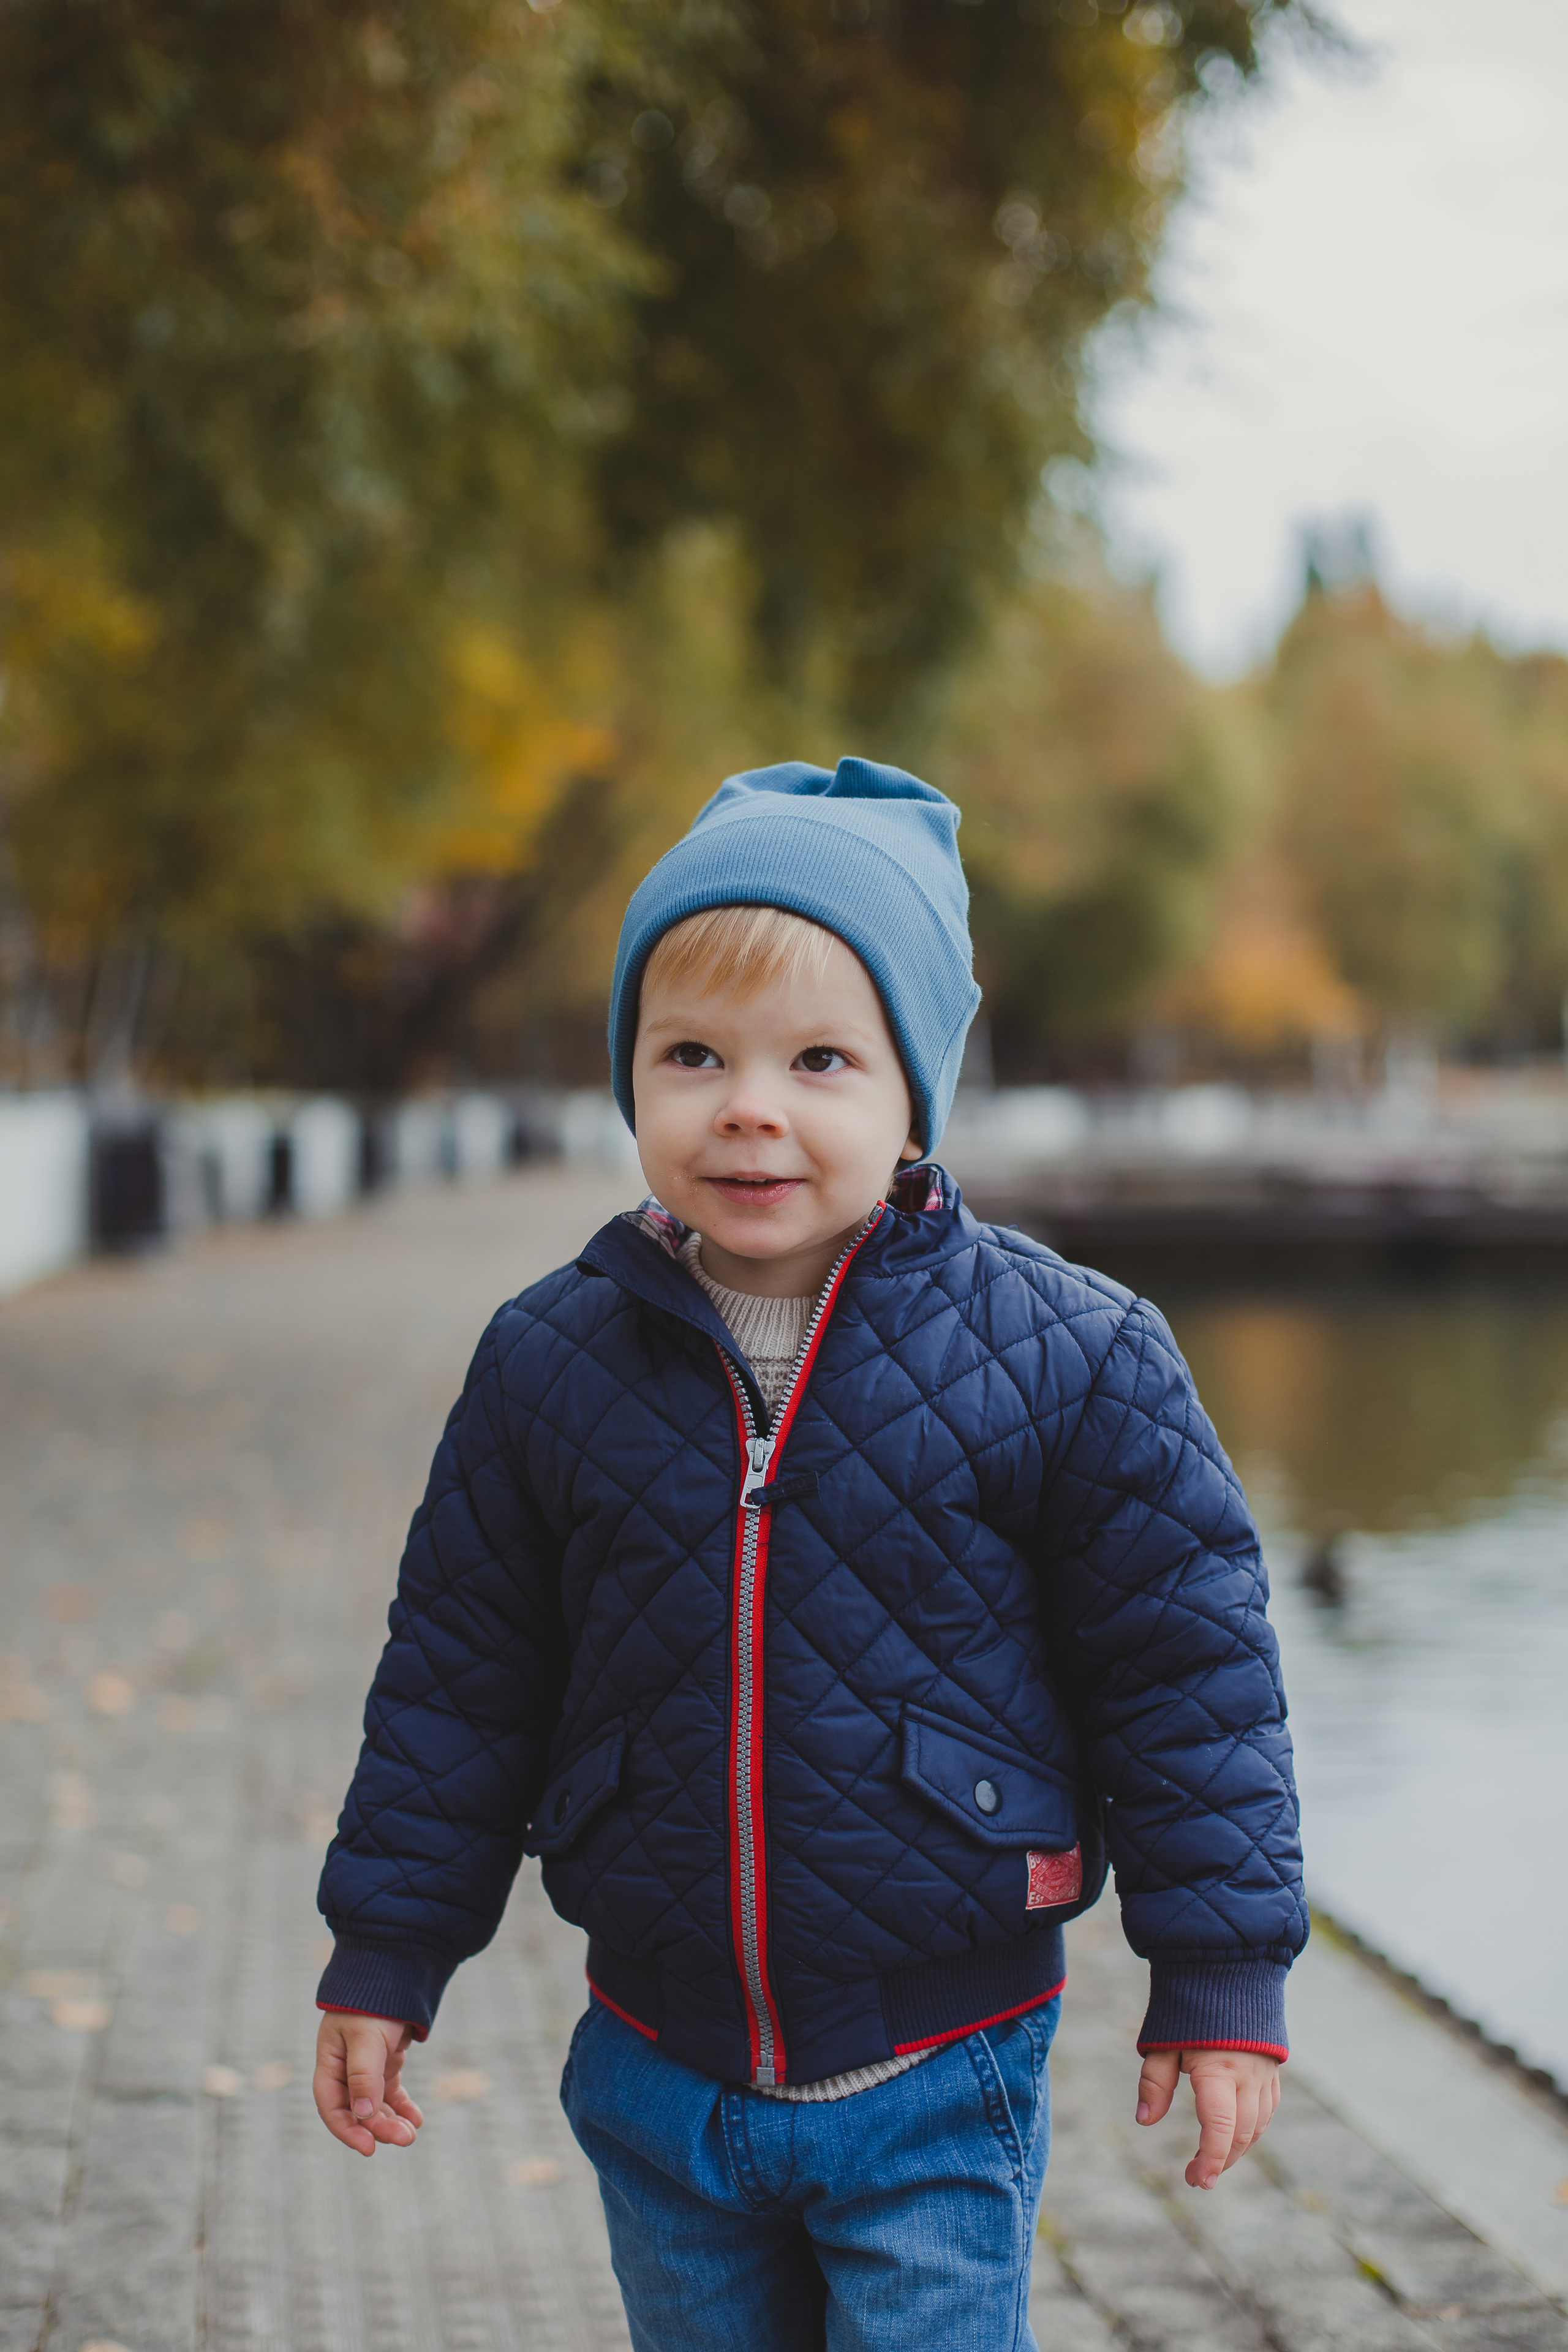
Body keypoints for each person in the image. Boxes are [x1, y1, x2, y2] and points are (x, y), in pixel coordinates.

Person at [311, 758, 1306, 2351]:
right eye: (691, 1053)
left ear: (915, 1092)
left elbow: (1186, 1679)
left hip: (938, 2057)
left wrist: (1221, 1973)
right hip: (657, 2053)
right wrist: (388, 1946)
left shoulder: (1075, 1356)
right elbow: (460, 1677)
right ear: (628, 1077)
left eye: (821, 1059)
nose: (749, 1105)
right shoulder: (548, 1362)